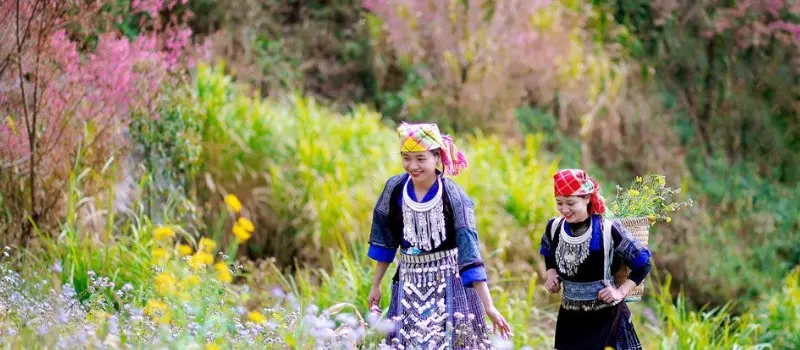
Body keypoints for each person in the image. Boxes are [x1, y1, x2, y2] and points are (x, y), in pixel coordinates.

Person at [367, 122, 511, 349]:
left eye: (420, 159)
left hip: (450, 285)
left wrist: (489, 306)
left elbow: (469, 251)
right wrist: (376, 285)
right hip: (408, 283)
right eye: (406, 157)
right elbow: (386, 241)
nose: (412, 165)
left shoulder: (454, 197)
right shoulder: (394, 189)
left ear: (437, 158)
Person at [539, 169, 652, 350]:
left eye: (570, 203)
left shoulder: (608, 230)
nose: (564, 209)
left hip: (606, 320)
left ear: (586, 198)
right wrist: (551, 274)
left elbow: (643, 263)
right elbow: (548, 252)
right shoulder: (554, 228)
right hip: (570, 321)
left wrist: (620, 292)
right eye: (559, 203)